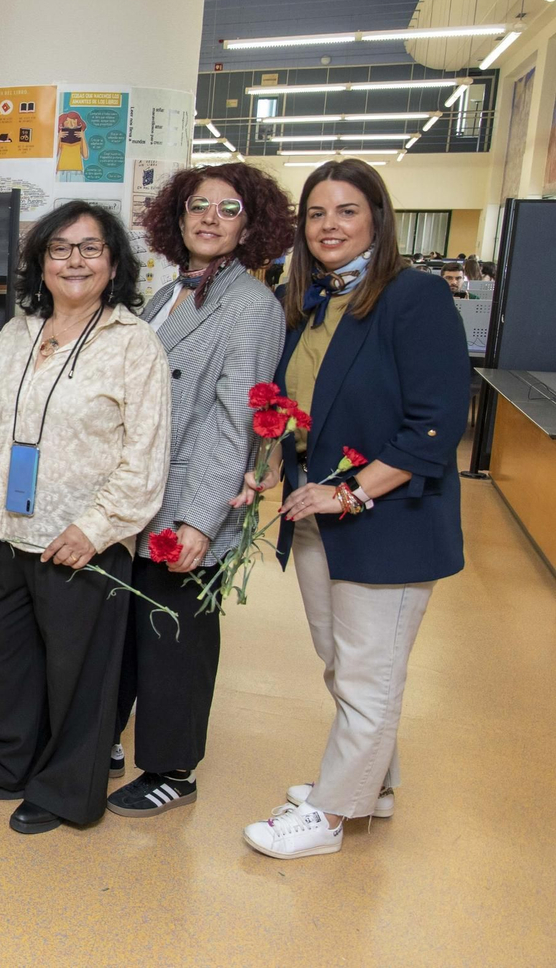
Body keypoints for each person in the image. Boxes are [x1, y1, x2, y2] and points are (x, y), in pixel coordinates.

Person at [238, 159, 469, 860]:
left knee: (369, 671)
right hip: (317, 515)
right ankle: (377, 784)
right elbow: (295, 410)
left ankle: (333, 815)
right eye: (316, 213)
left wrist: (353, 490)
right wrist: (267, 465)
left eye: (345, 211)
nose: (328, 226)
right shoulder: (307, 301)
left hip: (386, 519)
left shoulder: (413, 296)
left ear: (377, 217)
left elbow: (435, 425)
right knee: (343, 666)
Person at [0, 200, 171, 834]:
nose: (74, 260)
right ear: (40, 262)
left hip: (80, 542)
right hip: (1, 531)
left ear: (114, 261)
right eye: (59, 248)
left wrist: (96, 529)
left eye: (90, 248)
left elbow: (145, 455)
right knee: (1, 658)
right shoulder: (17, 332)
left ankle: (69, 788)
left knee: (80, 673)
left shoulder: (134, 344)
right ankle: (6, 763)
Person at [107, 163, 292, 817]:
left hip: (188, 501)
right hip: (140, 497)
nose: (210, 218)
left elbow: (232, 422)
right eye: (198, 205)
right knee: (133, 628)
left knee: (176, 636)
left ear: (251, 225)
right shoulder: (168, 295)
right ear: (176, 218)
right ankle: (111, 739)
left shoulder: (251, 306)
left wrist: (201, 521)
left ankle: (173, 768)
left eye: (229, 208)